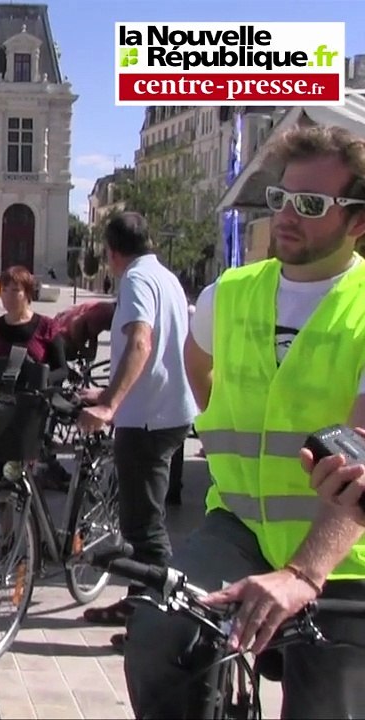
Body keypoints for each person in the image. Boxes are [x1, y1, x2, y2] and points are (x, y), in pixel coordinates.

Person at [125, 124, 365, 719]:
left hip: (346, 554)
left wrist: (304, 574)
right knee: (158, 637)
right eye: (282, 198)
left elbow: (359, 467)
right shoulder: (227, 294)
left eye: (312, 205)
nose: (287, 215)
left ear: (358, 221)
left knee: (326, 702)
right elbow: (199, 368)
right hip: (239, 527)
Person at [77, 211, 196, 646]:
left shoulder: (134, 280)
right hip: (169, 411)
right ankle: (138, 604)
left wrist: (109, 405)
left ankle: (155, 627)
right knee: (144, 520)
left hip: (147, 419)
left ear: (112, 252)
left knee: (144, 529)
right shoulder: (167, 277)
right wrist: (107, 390)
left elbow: (141, 341)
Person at [0, 265, 69, 487]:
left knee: (25, 479)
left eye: (15, 290)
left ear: (27, 293)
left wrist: (39, 379)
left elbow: (62, 369)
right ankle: (1, 509)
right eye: (4, 290)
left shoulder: (47, 327)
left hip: (31, 413)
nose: (8, 296)